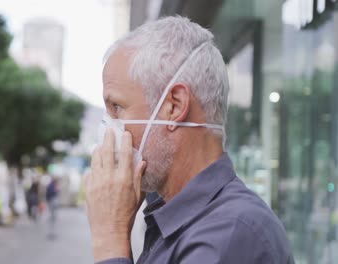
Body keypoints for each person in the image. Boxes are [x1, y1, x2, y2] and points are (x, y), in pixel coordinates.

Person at [84, 16, 294, 264]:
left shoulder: (229, 235)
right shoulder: (177, 220)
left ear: (175, 105)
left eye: (117, 107)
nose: (109, 130)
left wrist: (110, 237)